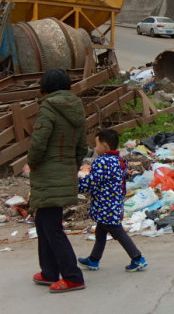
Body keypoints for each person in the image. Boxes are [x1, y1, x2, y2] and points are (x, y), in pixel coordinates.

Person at [29, 69, 87, 293]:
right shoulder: (76, 108)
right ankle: (49, 272)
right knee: (43, 223)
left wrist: (33, 163)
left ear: (46, 88)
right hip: (64, 171)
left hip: (47, 173)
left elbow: (38, 143)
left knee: (51, 227)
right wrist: (70, 166)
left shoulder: (48, 107)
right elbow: (82, 146)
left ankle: (73, 276)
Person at [78, 129, 148, 272]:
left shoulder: (102, 161)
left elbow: (92, 182)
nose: (95, 148)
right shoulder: (120, 160)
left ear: (104, 146)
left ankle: (137, 258)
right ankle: (93, 259)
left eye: (96, 144)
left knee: (118, 232)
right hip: (114, 203)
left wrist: (77, 185)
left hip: (104, 205)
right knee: (100, 232)